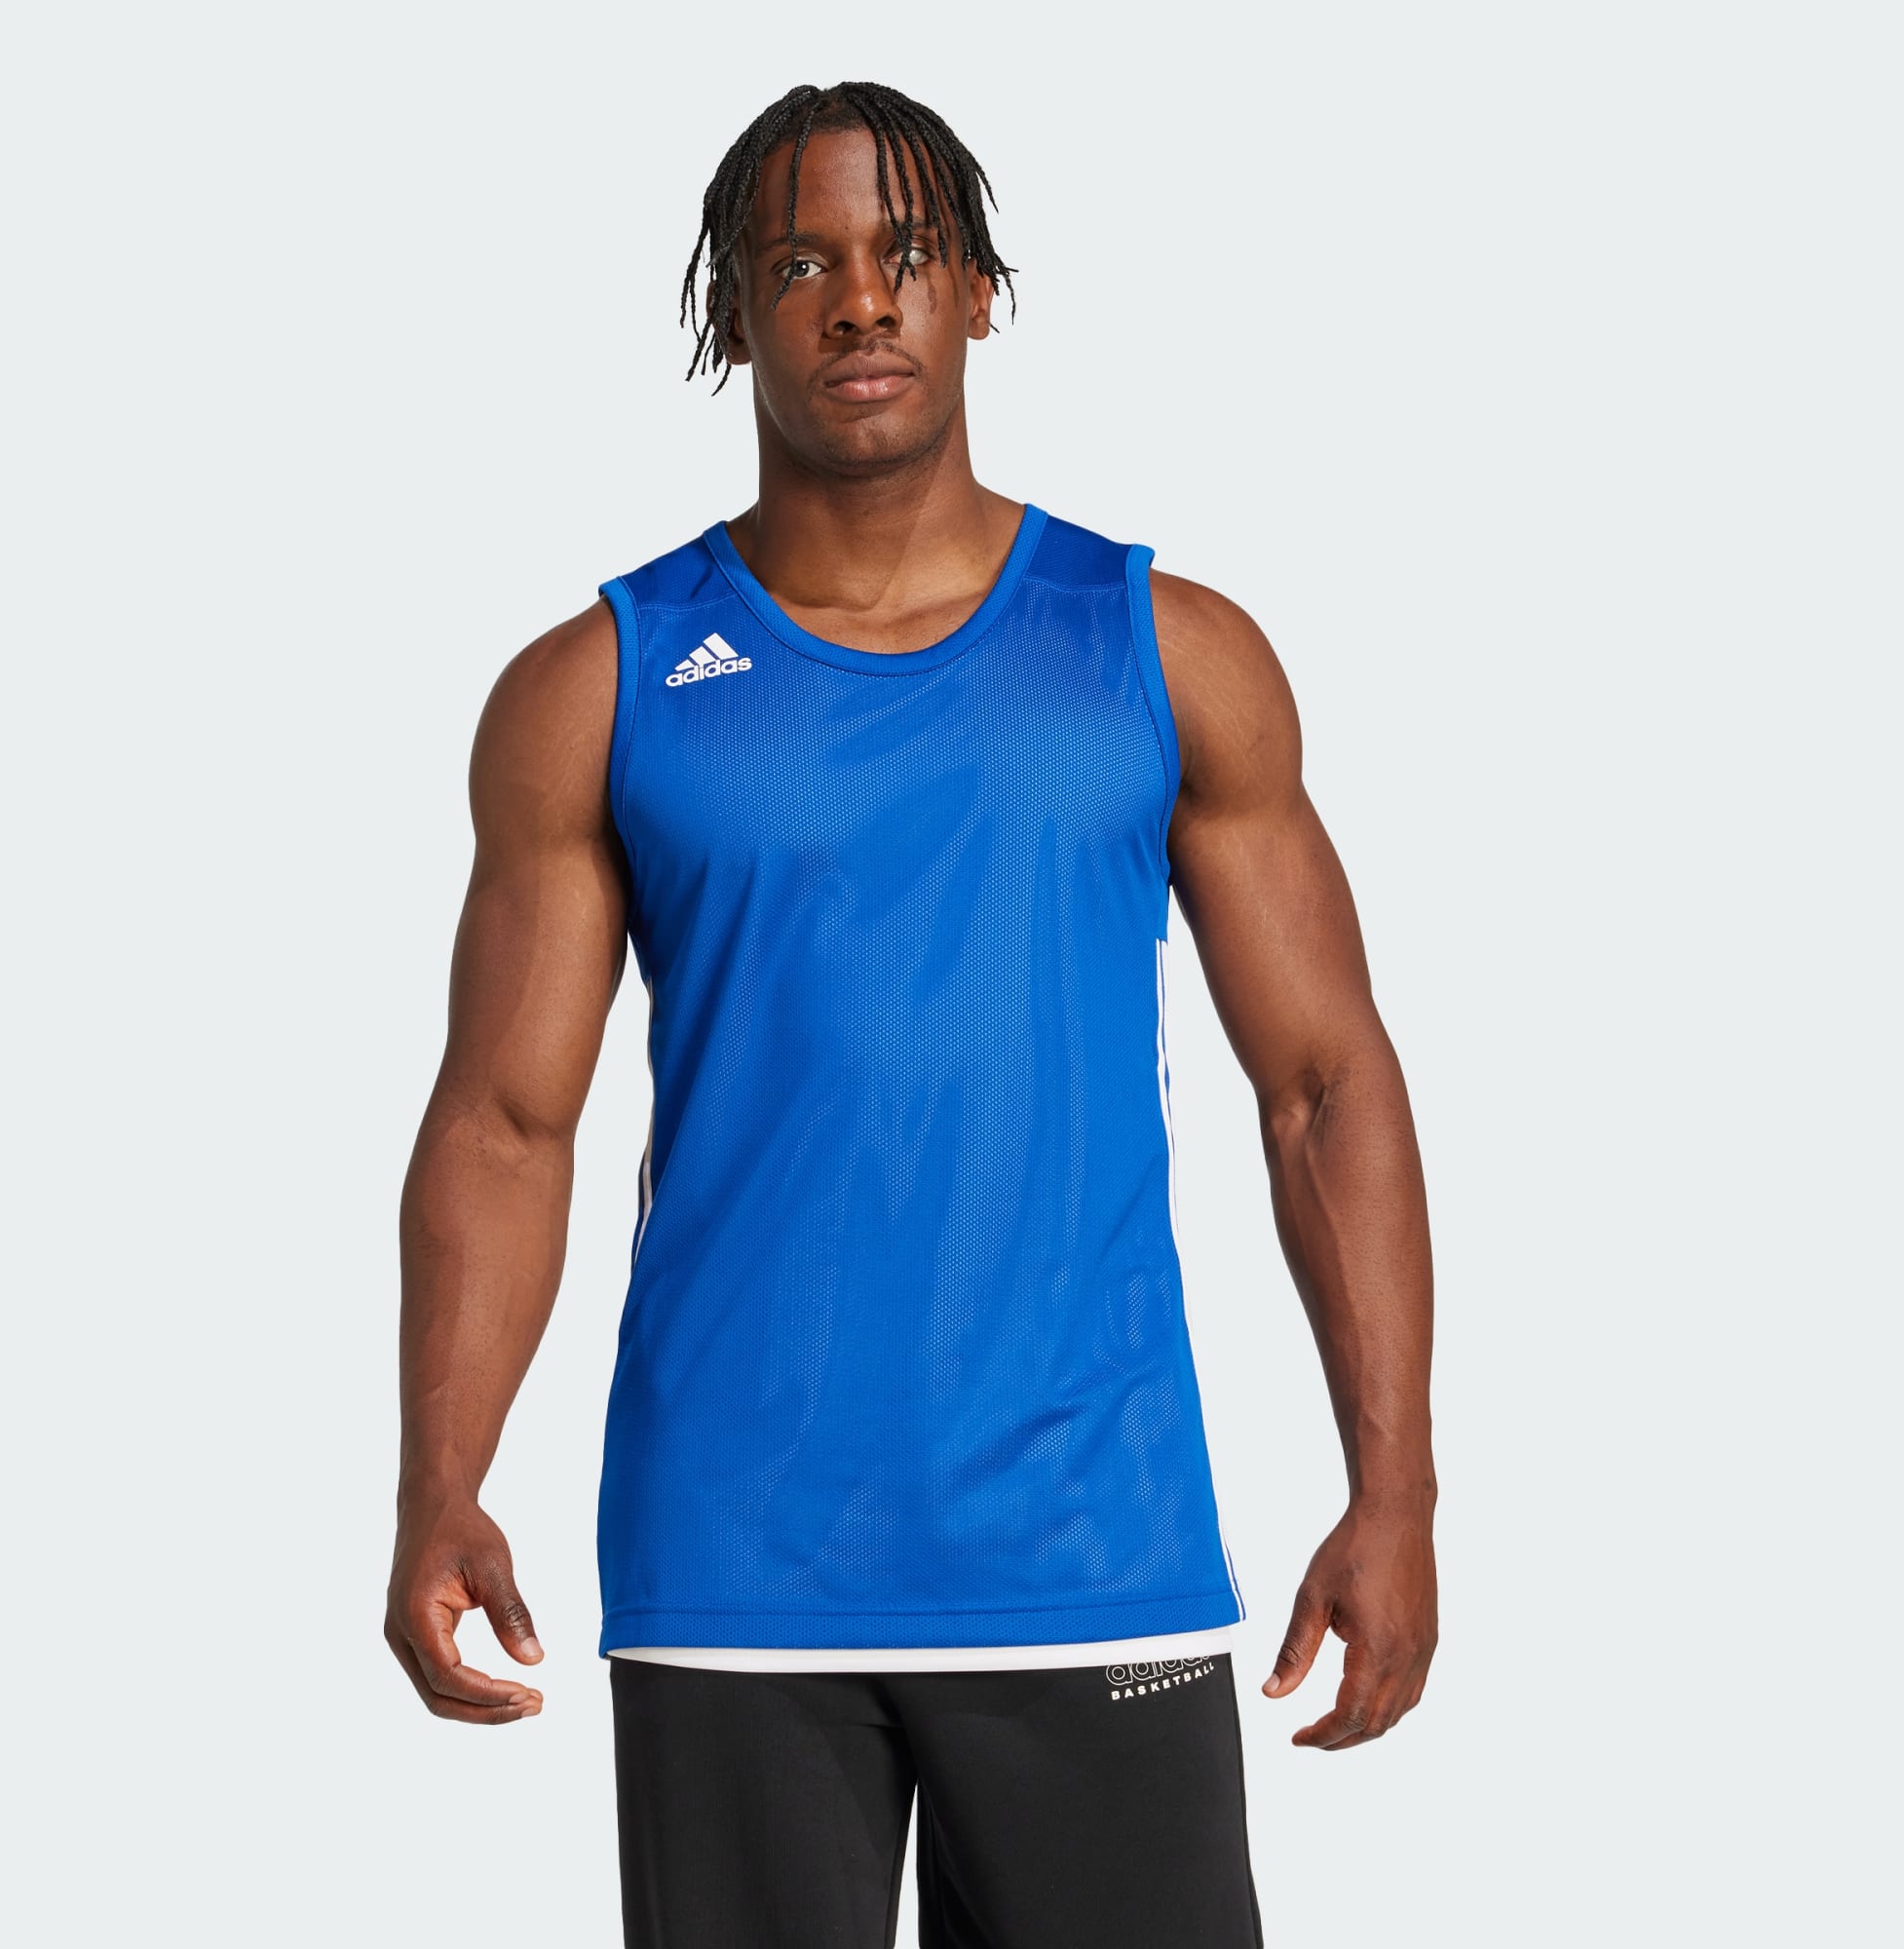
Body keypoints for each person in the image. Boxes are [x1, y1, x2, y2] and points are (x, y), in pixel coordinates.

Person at [385, 79, 1437, 1949]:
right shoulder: (602, 685)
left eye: (910, 254)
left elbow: (1324, 1087)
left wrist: (1399, 1490)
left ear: (977, 295)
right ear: (734, 309)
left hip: (1092, 1555)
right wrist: (439, 1481)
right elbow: (506, 1123)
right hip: (735, 1572)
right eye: (802, 263)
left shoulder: (1162, 651)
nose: (861, 299)